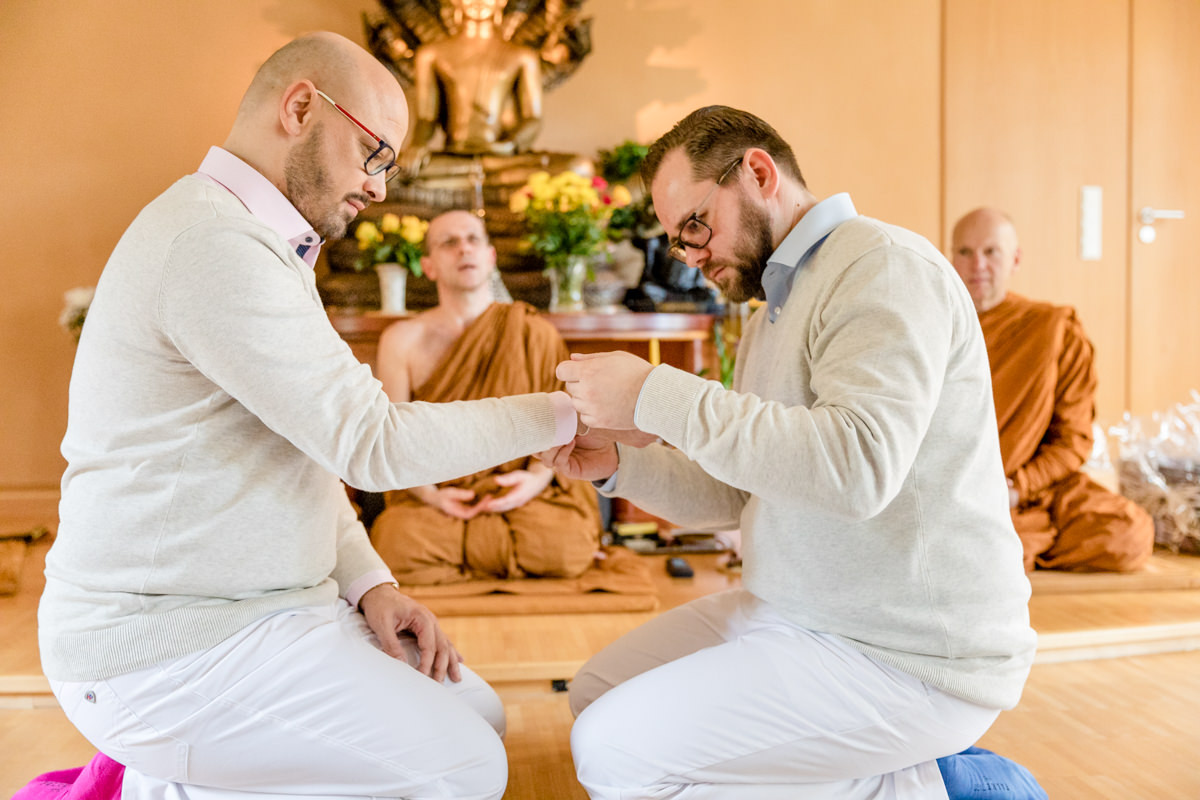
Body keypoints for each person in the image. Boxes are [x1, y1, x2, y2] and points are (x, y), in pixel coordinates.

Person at [37, 32, 581, 800]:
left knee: (479, 715)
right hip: (169, 649)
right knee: (466, 767)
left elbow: (310, 455)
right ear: (301, 107)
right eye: (375, 155)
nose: (381, 188)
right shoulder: (210, 241)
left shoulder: (263, 241)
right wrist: (569, 412)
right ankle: (171, 780)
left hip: (270, 612)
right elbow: (372, 442)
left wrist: (369, 585)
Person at [542, 106, 1046, 799]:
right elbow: (740, 493)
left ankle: (937, 790)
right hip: (799, 609)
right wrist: (617, 465)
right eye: (678, 242)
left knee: (612, 753)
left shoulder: (881, 266)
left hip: (907, 651)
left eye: (695, 226)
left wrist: (655, 394)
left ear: (757, 172)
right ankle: (912, 775)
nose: (691, 257)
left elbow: (856, 469)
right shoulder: (772, 310)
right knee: (597, 696)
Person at [370, 210, 602, 583]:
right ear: (428, 266)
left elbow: (563, 424)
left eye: (473, 239)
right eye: (449, 242)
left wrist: (534, 482)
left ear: (490, 256)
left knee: (566, 546)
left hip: (520, 492)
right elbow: (394, 438)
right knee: (396, 544)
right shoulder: (401, 341)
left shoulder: (534, 333)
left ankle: (460, 560)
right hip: (439, 497)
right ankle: (499, 553)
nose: (464, 249)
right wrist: (431, 497)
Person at [950, 207, 1154, 572]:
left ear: (1015, 259)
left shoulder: (1052, 329)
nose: (977, 264)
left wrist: (1018, 487)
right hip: (957, 490)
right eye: (964, 252)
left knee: (1130, 533)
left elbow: (1072, 440)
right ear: (951, 258)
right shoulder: (933, 326)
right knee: (952, 543)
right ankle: (1000, 542)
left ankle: (1010, 541)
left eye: (990, 252)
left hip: (1029, 488)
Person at [396, 0, 544, 175]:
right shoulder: (430, 54)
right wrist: (417, 145)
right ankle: (474, 173)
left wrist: (510, 145)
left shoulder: (523, 56)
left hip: (501, 157)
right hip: (453, 156)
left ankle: (474, 173)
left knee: (578, 166)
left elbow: (533, 118)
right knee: (397, 175)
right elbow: (426, 117)